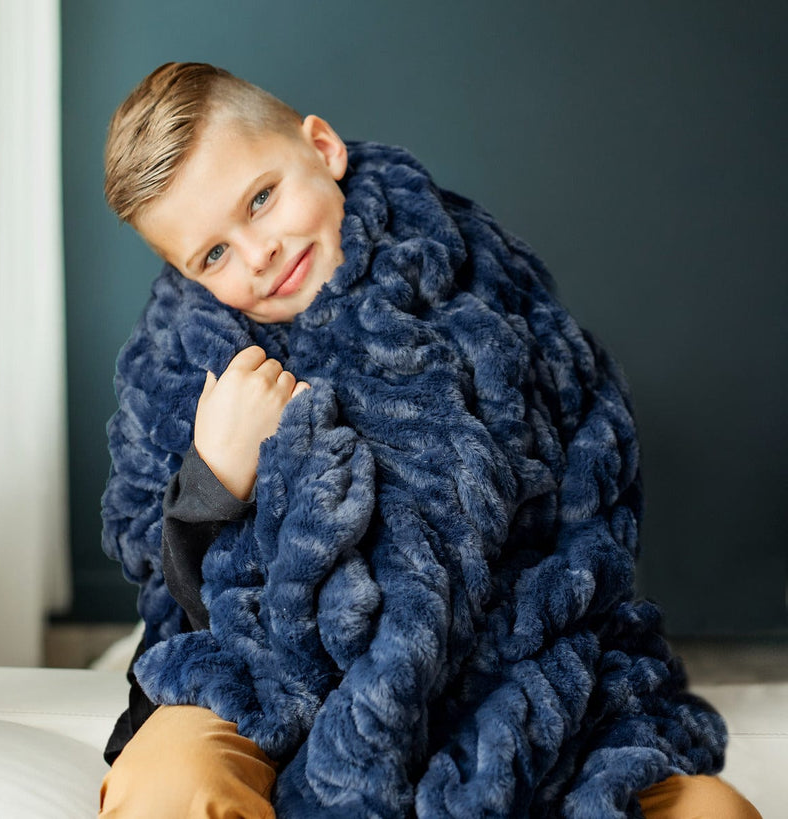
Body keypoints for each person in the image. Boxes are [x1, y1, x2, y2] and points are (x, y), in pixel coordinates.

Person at [96, 62, 760, 818]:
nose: (259, 255)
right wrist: (214, 476)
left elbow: (586, 506)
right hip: (266, 680)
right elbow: (174, 591)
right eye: (212, 254)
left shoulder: (488, 295)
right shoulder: (184, 367)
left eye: (262, 199)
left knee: (714, 811)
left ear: (321, 148)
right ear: (186, 274)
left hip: (491, 673)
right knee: (168, 789)